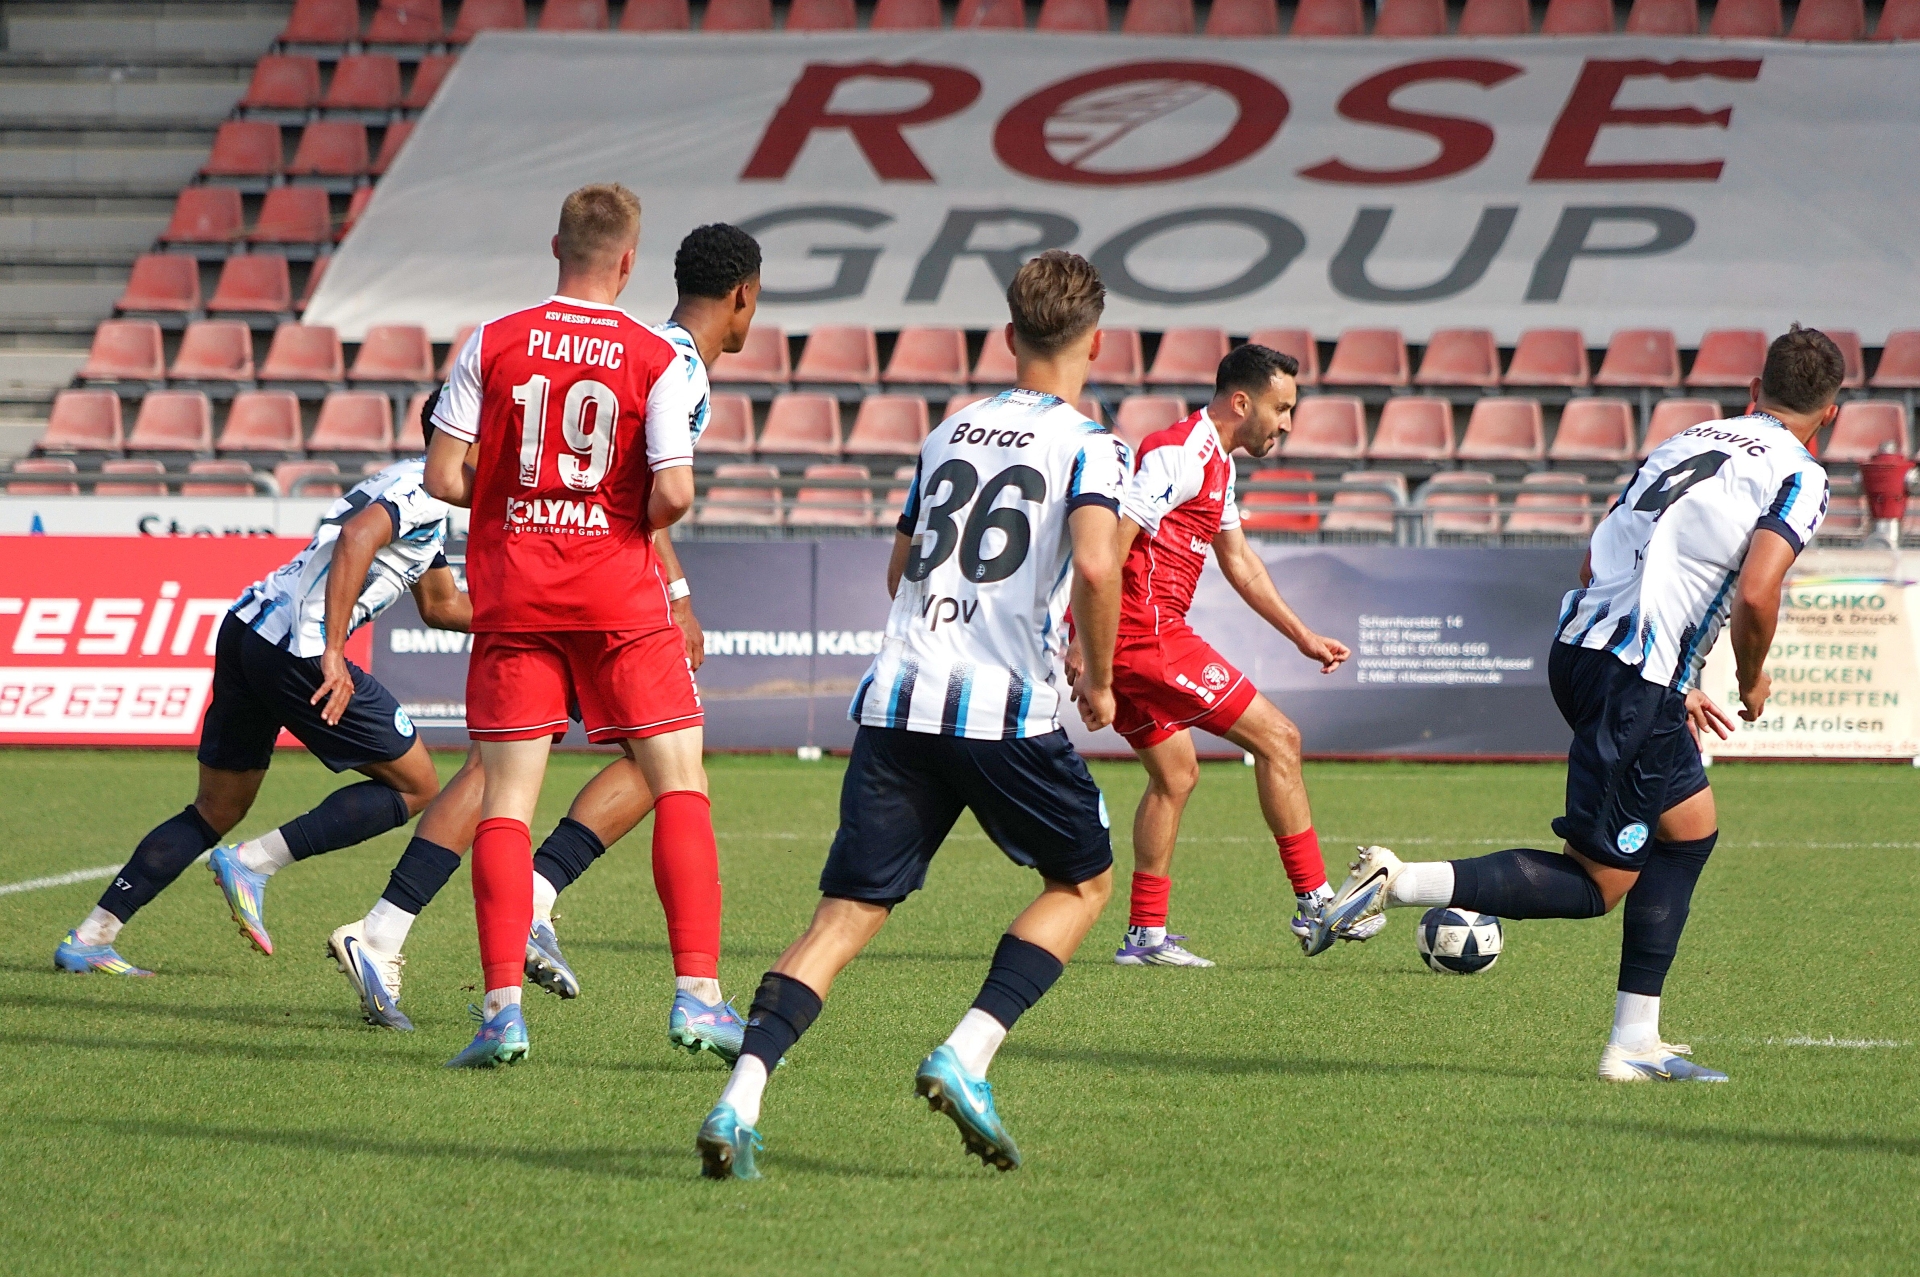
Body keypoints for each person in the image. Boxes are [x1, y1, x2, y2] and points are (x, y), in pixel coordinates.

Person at [694, 250, 1130, 1181]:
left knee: (844, 913)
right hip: (1002, 710)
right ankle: (967, 1053)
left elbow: (901, 569)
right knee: (1085, 880)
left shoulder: (947, 433)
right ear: (1096, 343)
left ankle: (740, 1098)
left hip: (899, 699)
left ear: (1008, 337)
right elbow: (1098, 564)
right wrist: (1096, 679)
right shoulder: (1094, 446)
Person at [1309, 324, 1841, 1083]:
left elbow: (1599, 557)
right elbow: (1758, 591)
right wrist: (1749, 678)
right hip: (1635, 677)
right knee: (1598, 884)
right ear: (1831, 414)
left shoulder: (1686, 439)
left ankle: (1638, 1039)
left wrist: (1673, 677)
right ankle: (1398, 882)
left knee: (1689, 831)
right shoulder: (1800, 473)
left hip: (1585, 648)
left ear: (1754, 390)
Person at [326, 224, 763, 1047]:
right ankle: (468, 914)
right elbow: (650, 494)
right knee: (665, 767)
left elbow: (469, 461)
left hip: (523, 577)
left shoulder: (513, 338)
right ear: (745, 294)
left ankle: (441, 949)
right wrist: (673, 592)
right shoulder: (666, 362)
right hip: (606, 591)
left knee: (506, 777)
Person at [423, 185, 731, 1069]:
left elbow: (443, 477)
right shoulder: (653, 354)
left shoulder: (493, 340)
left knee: (506, 801)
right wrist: (610, 507)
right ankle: (699, 996)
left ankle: (501, 1013)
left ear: (556, 245)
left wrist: (517, 492)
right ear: (630, 261)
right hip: (619, 599)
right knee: (679, 781)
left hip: (516, 593)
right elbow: (674, 493)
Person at [54, 425, 466, 975]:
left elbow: (442, 606)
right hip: (303, 650)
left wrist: (537, 617)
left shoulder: (410, 484)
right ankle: (255, 862)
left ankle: (91, 936)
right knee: (417, 785)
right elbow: (356, 536)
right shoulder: (425, 489)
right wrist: (334, 651)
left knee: (216, 808)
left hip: (250, 629)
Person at [1067, 344, 1355, 968]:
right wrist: (1081, 641)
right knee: (1280, 739)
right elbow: (1114, 541)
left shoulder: (1217, 463)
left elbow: (1241, 563)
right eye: (1281, 409)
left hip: (1132, 637)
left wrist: (1302, 636)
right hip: (1144, 632)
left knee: (1175, 775)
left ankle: (1144, 936)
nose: (1286, 424)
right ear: (1242, 402)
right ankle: (1317, 901)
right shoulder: (1179, 452)